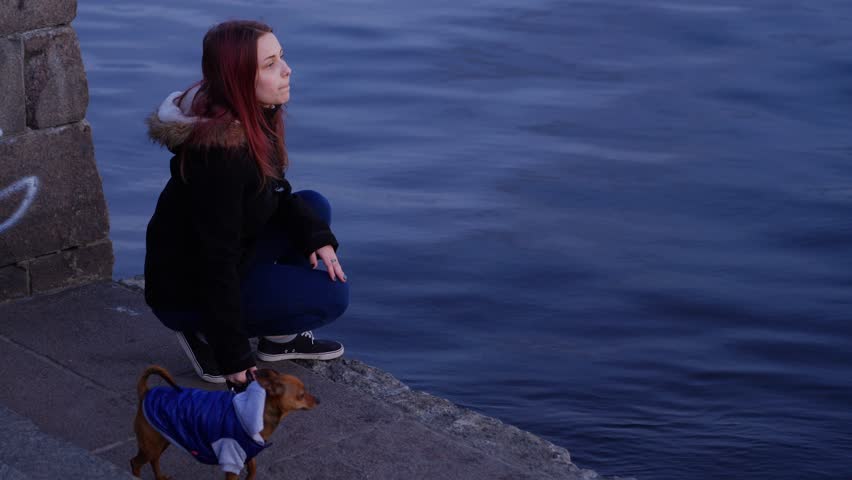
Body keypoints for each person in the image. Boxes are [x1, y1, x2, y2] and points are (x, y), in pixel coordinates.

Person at [143, 19, 349, 387]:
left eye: (281, 58)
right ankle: (204, 334)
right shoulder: (219, 159)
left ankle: (279, 341)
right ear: (238, 79)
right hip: (187, 289)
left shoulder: (247, 115)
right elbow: (214, 261)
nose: (287, 70)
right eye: (270, 64)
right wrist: (234, 356)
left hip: (219, 259)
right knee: (332, 296)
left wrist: (316, 235)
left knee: (313, 208)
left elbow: (273, 192)